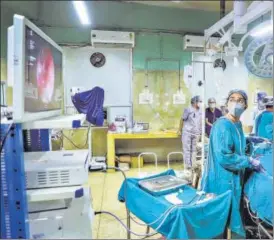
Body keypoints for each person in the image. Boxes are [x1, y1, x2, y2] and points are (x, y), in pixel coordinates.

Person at [201, 89, 264, 238]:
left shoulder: (237, 124)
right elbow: (224, 156)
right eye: (232, 99)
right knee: (218, 222)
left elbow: (236, 145)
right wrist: (248, 161)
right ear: (227, 103)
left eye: (240, 100)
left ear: (246, 105)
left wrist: (249, 140)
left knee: (229, 217)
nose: (236, 103)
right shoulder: (222, 125)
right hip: (221, 181)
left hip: (233, 180)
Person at [178, 95, 202, 170]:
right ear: (194, 102)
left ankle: (193, 165)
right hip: (187, 132)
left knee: (194, 150)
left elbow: (200, 122)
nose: (200, 103)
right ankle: (188, 166)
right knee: (187, 149)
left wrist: (200, 132)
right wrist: (179, 130)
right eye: (199, 101)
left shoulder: (200, 110)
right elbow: (182, 119)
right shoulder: (188, 110)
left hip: (196, 133)